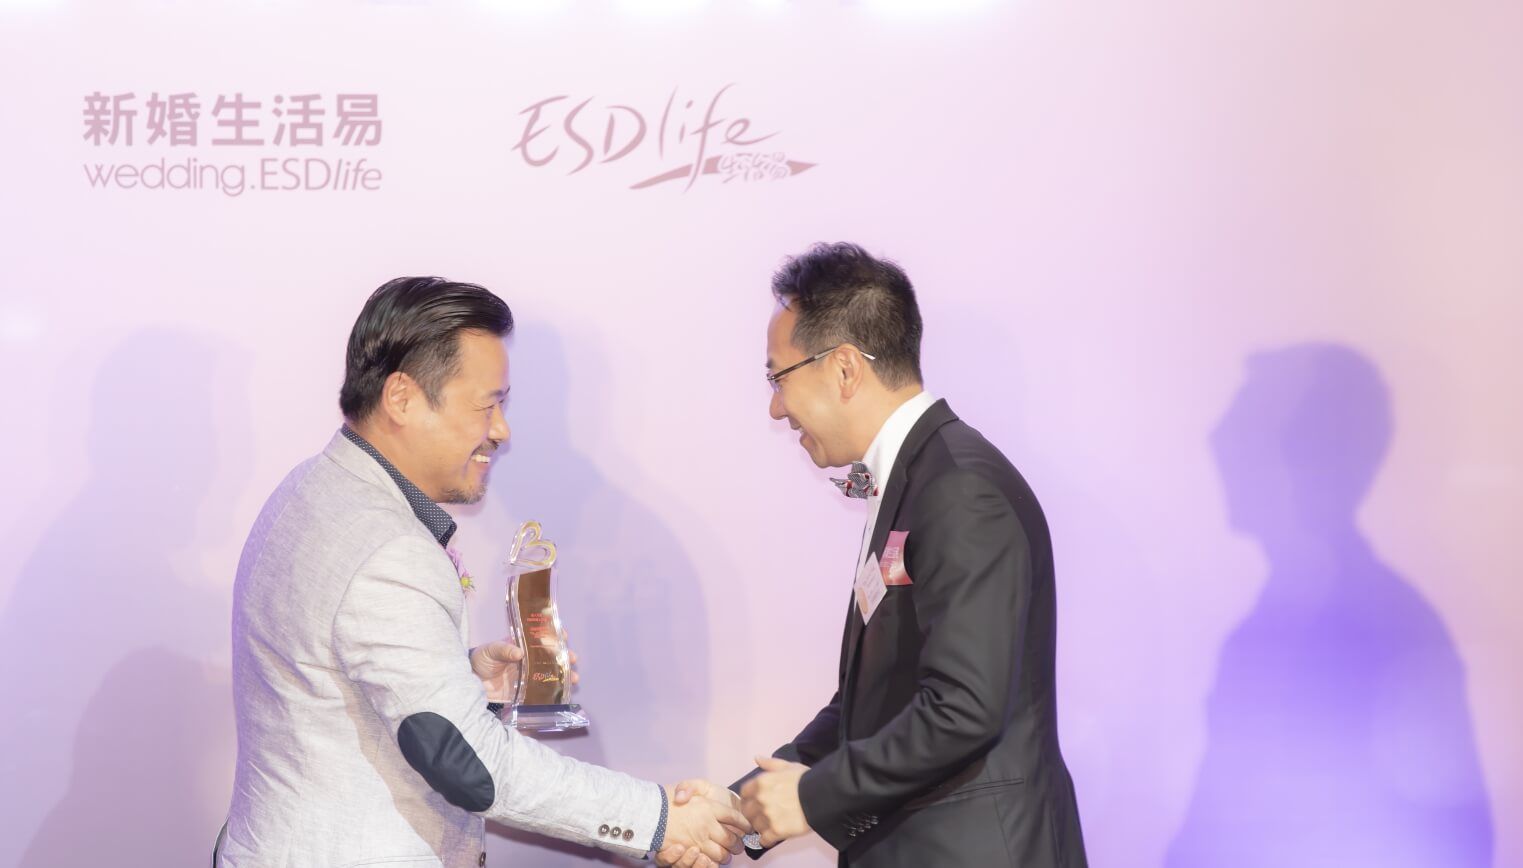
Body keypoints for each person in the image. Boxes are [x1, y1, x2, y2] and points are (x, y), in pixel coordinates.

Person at [218, 277, 745, 867]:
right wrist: (656, 820)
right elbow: (472, 764)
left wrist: (465, 679)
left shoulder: (311, 488)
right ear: (401, 398)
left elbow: (333, 679)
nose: (501, 430)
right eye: (486, 405)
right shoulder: (388, 550)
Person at [678, 243, 1087, 867]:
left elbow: (963, 710)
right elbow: (872, 704)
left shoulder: (960, 490)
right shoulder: (918, 478)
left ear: (844, 368)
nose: (776, 407)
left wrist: (813, 796)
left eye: (778, 377)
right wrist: (745, 807)